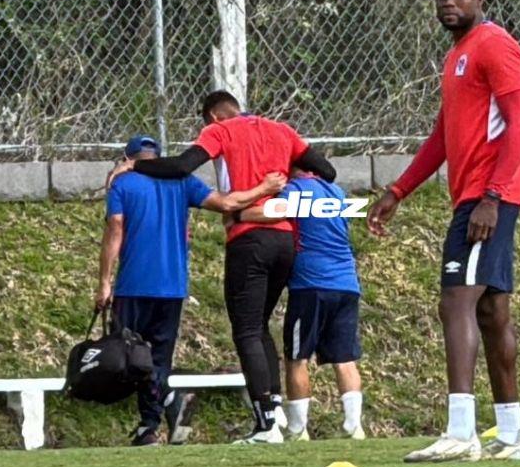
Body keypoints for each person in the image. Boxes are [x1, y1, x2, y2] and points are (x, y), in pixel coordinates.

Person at [367, 0, 520, 462]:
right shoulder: (456, 55)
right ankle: (511, 436)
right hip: (475, 194)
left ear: (479, 0)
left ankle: (461, 431)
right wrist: (399, 189)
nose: (448, 2)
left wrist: (494, 195)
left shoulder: (494, 45)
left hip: (489, 197)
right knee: (491, 309)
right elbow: (443, 136)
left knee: (455, 301)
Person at [125, 91, 337, 444]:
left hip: (249, 239)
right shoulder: (282, 131)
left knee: (246, 331)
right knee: (260, 328)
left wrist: (139, 165)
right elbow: (327, 171)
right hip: (285, 241)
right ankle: (276, 412)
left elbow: (180, 166)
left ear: (213, 116)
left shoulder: (221, 131)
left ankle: (266, 424)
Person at [97, 135, 287, 446]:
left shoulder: (123, 184)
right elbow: (227, 203)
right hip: (172, 287)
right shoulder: (183, 182)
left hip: (133, 284)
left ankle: (164, 404)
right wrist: (264, 189)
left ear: (129, 158)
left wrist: (104, 281)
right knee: (158, 356)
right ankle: (151, 423)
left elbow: (115, 226)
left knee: (127, 355)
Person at [237, 169, 365, 441]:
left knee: (297, 358)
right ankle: (354, 426)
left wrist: (237, 214)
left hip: (311, 284)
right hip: (346, 283)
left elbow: (273, 212)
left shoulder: (295, 190)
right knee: (345, 359)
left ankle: (297, 428)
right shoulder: (336, 191)